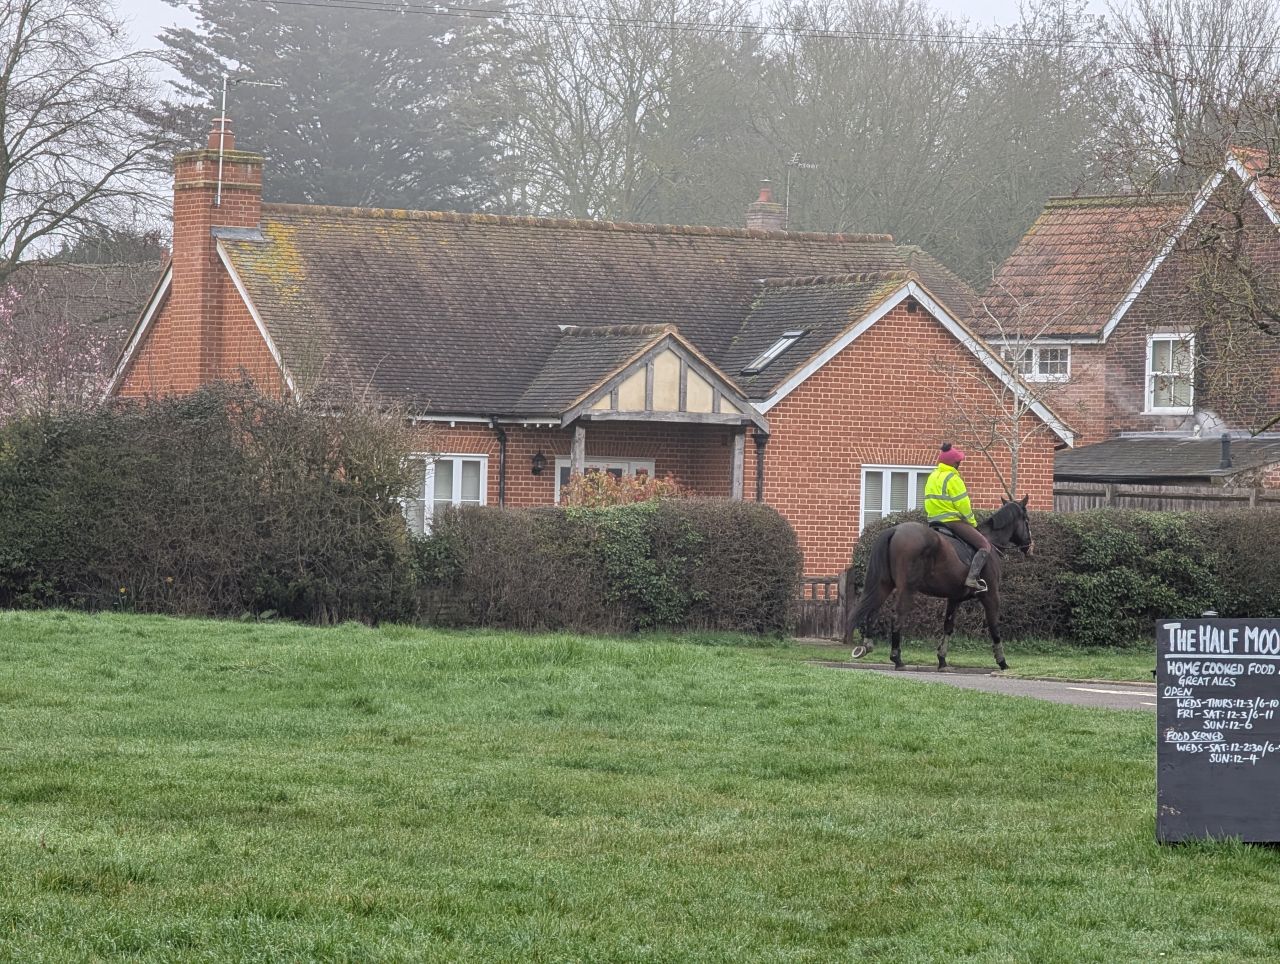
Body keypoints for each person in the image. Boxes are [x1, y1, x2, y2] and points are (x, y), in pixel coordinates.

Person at [923, 442, 991, 592]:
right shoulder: (953, 479)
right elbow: (963, 505)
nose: (960, 463)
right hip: (952, 521)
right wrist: (972, 523)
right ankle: (972, 579)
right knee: (985, 545)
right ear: (953, 463)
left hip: (934, 521)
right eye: (958, 461)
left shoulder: (932, 476)